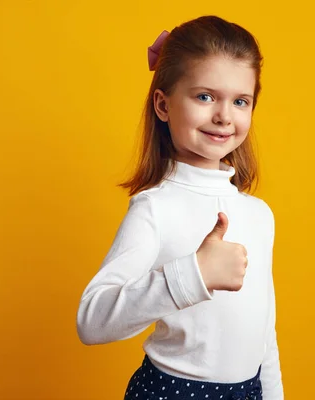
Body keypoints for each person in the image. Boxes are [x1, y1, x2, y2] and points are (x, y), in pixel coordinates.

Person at [76, 15, 284, 400]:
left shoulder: (259, 215)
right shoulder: (155, 208)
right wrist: (192, 275)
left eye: (240, 101)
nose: (223, 115)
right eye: (205, 96)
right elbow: (91, 320)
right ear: (163, 104)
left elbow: (263, 334)